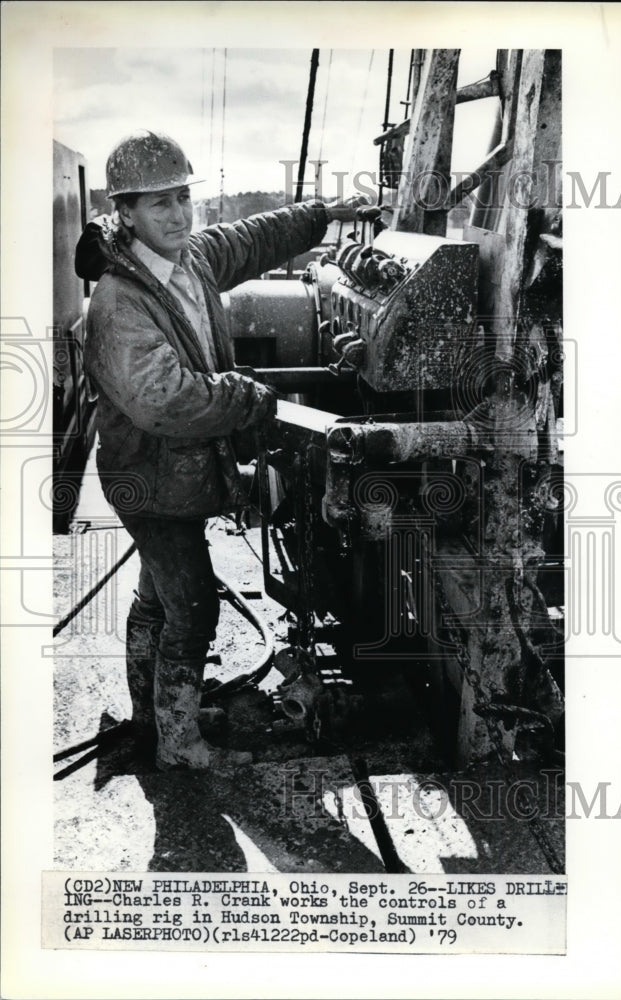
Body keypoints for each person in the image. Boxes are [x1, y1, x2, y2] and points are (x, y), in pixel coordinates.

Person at [76, 129, 361, 772]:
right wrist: (247, 397)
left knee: (158, 596)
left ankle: (154, 715)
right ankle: (180, 745)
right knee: (194, 605)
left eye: (183, 197)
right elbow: (164, 399)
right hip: (149, 477)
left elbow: (249, 239)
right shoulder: (120, 300)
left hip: (169, 473)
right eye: (159, 204)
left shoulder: (188, 260)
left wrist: (323, 215)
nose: (179, 215)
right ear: (125, 213)